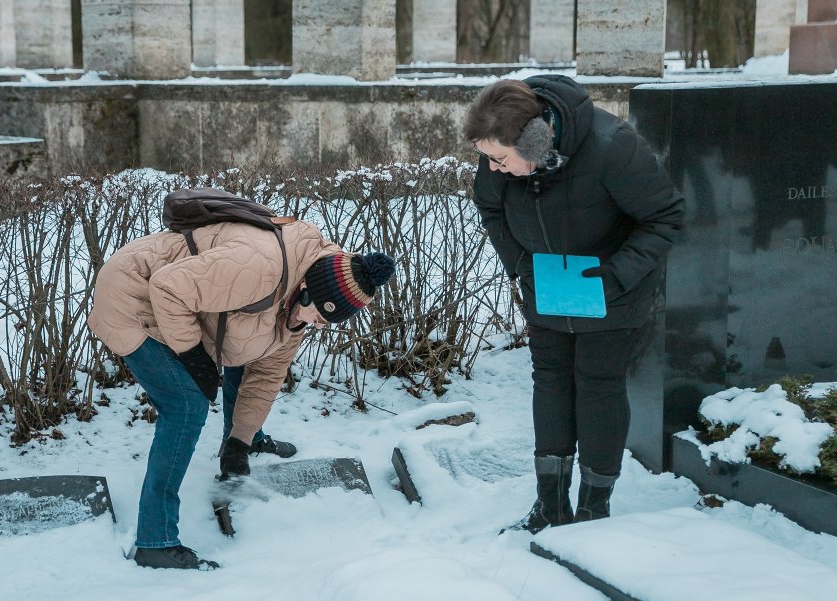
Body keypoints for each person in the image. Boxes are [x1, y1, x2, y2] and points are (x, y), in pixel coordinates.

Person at [88, 211, 396, 569]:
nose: (317, 327)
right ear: (309, 293)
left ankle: (243, 440)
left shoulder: (299, 305)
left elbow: (266, 373)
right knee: (187, 406)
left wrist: (239, 443)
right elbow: (167, 288)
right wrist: (193, 358)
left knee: (252, 347)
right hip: (135, 293)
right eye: (320, 318)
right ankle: (155, 541)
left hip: (189, 303)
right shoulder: (258, 267)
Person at [463, 76, 684, 533]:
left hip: (610, 292)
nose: (494, 168)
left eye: (500, 159)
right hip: (547, 285)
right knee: (551, 385)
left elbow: (664, 216)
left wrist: (615, 277)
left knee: (598, 387)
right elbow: (489, 207)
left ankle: (592, 511)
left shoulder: (612, 147)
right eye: (487, 159)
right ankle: (550, 506)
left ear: (533, 140)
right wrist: (523, 265)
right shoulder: (502, 154)